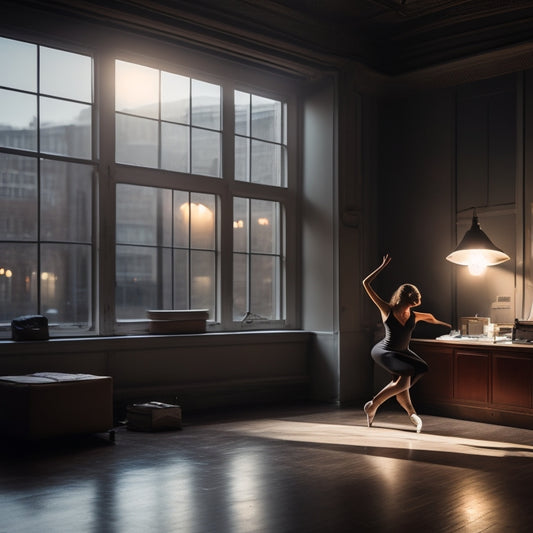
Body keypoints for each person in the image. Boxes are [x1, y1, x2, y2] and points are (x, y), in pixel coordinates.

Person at [362, 254, 451, 433]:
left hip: (403, 352)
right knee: (405, 378)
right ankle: (373, 405)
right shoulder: (387, 309)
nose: (417, 302)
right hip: (385, 351)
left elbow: (431, 318)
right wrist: (381, 267)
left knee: (416, 372)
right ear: (407, 299)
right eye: (415, 299)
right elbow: (366, 284)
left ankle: (405, 411)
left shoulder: (414, 315)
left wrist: (449, 326)